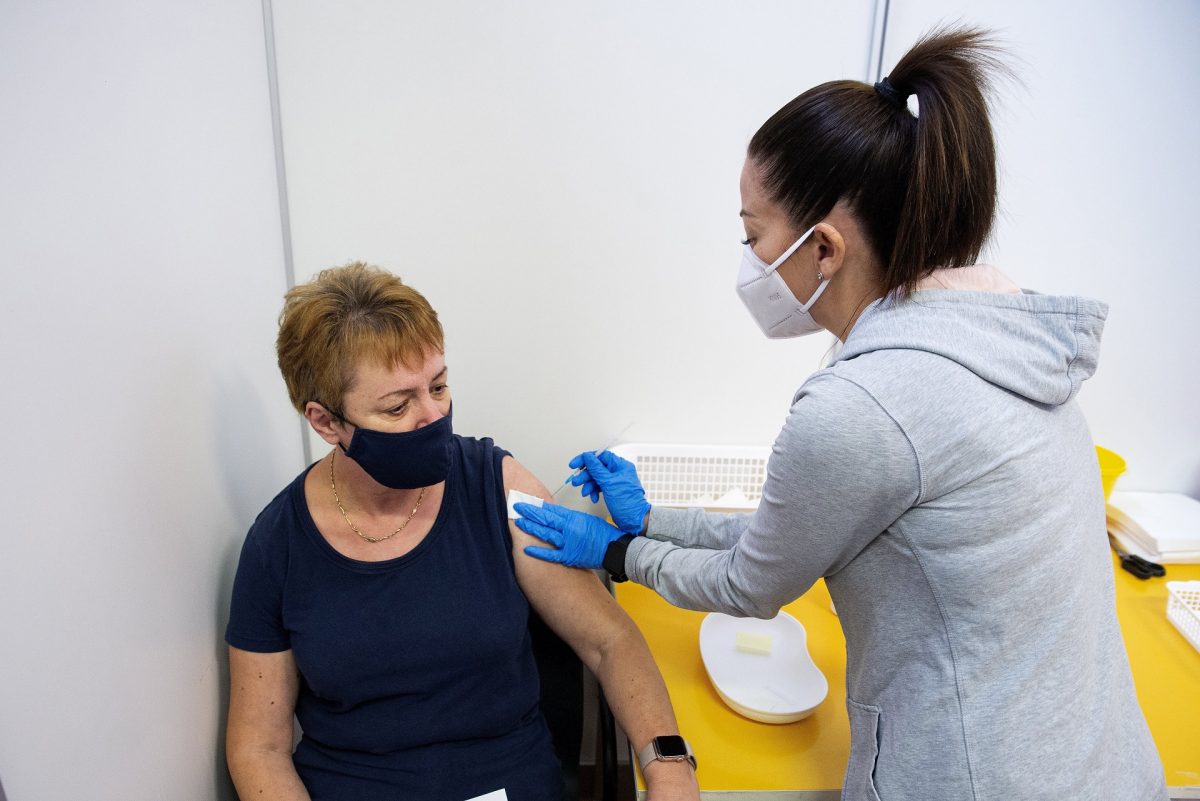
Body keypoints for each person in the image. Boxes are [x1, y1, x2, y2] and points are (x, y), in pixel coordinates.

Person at [513, 27, 1167, 801]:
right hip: (1103, 766)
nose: (750, 261)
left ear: (824, 247)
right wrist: (655, 519)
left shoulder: (864, 406)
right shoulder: (1001, 345)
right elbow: (794, 536)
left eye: (754, 235)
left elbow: (752, 583)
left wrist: (619, 552)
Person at [224, 263, 699, 801]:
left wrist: (669, 768)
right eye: (398, 406)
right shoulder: (278, 545)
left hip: (504, 780)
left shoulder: (495, 487)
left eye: (439, 386)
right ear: (326, 422)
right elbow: (258, 748)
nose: (434, 415)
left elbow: (609, 641)